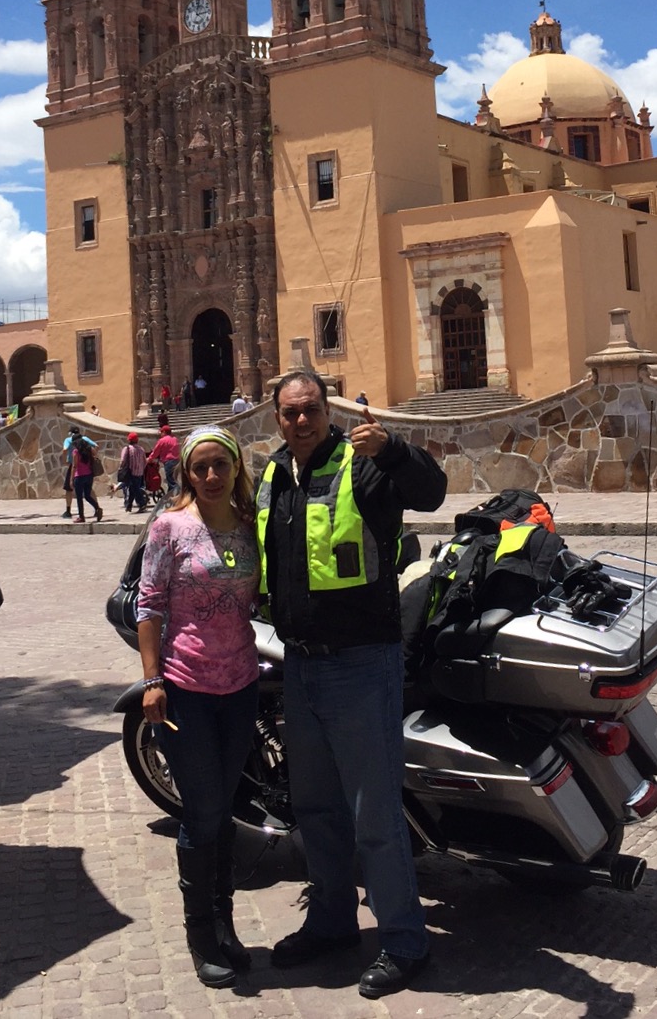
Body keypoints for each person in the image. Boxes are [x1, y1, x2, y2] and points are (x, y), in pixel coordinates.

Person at [257, 369, 447, 999]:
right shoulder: (273, 475)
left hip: (361, 663)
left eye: (310, 410)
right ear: (276, 419)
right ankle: (332, 923)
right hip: (301, 665)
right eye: (290, 414)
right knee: (316, 809)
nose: (301, 421)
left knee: (374, 815)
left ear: (327, 410)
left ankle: (404, 941)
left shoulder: (363, 465)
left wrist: (392, 449)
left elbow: (431, 491)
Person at [136, 426, 260, 988]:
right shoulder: (170, 526)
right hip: (185, 686)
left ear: (236, 468)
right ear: (186, 473)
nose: (211, 476)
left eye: (220, 466)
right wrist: (152, 681)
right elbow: (150, 604)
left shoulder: (251, 525)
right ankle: (200, 934)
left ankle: (226, 925)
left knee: (227, 806)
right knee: (203, 809)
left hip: (240, 685)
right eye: (201, 468)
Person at [71, 435, 103, 524]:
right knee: (88, 495)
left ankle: (81, 517)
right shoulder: (89, 450)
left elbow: (74, 466)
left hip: (79, 476)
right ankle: (97, 507)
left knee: (79, 498)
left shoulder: (76, 452)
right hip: (89, 475)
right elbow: (95, 452)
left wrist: (71, 479)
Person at [149, 423, 181, 500]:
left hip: (169, 462)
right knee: (174, 479)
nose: (160, 434)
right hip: (177, 461)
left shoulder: (162, 440)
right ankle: (170, 498)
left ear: (164, 432)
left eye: (161, 432)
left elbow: (156, 452)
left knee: (172, 482)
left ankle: (177, 497)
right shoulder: (175, 439)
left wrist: (149, 459)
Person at [119, 432, 148, 512]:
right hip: (139, 473)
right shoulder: (141, 449)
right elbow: (145, 462)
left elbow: (123, 461)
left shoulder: (127, 449)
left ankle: (142, 504)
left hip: (130, 472)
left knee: (135, 489)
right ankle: (129, 505)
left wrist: (121, 468)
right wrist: (141, 469)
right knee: (133, 488)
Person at [61, 431, 76, 519]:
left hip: (73, 465)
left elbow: (65, 449)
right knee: (88, 489)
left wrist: (64, 460)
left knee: (68, 489)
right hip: (84, 466)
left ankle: (68, 510)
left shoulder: (68, 440)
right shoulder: (84, 439)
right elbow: (95, 446)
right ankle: (97, 508)